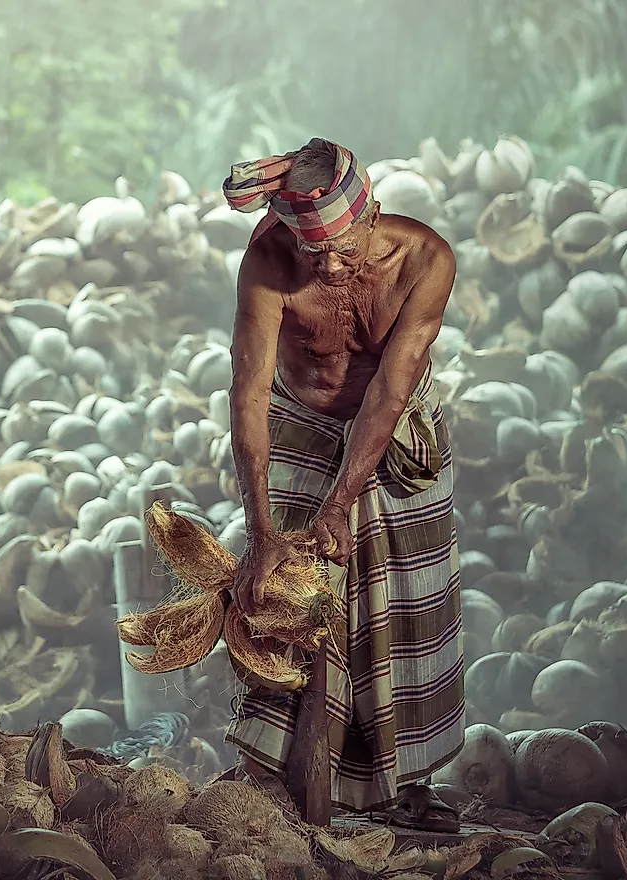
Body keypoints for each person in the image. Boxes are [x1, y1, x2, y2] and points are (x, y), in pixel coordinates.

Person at [220, 137, 465, 831]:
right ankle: (265, 772)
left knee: (410, 601)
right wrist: (262, 532)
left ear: (373, 215)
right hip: (301, 417)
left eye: (343, 249)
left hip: (396, 425)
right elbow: (248, 393)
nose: (328, 266)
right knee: (279, 594)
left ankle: (411, 781)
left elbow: (393, 385)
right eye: (312, 251)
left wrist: (341, 503)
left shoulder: (426, 260)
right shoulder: (267, 264)